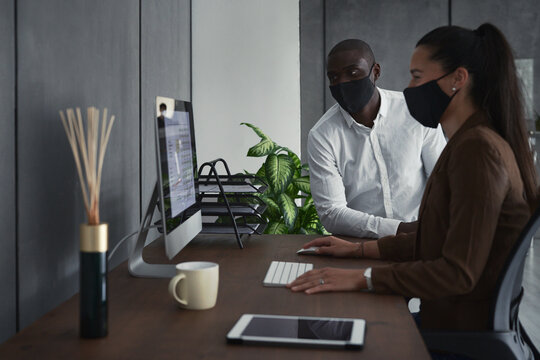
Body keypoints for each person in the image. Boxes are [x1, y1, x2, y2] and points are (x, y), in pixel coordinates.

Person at [289, 23, 538, 335]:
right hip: (452, 322)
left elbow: (458, 272)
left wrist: (362, 277)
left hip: (458, 335)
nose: (409, 88)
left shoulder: (478, 149)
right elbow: (442, 237)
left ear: (458, 79)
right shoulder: (469, 142)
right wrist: (360, 251)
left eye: (418, 76)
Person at [308, 39, 446, 239]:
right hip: (360, 245)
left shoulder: (417, 112)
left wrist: (432, 229)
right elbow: (332, 213)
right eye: (334, 77)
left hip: (423, 241)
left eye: (353, 73)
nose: (342, 83)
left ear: (376, 72)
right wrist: (403, 230)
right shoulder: (322, 135)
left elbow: (443, 183)